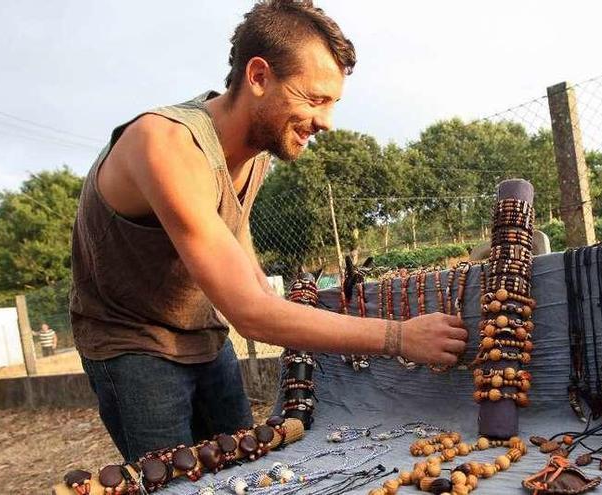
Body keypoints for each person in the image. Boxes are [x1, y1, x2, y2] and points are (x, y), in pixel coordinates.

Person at [70, 0, 468, 463]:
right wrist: (398, 338)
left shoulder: (256, 151)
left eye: (333, 103)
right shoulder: (166, 145)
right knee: (172, 481)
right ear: (258, 77)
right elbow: (252, 315)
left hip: (202, 333)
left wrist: (293, 306)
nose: (326, 122)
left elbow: (244, 263)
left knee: (244, 467)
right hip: (133, 344)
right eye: (315, 99)